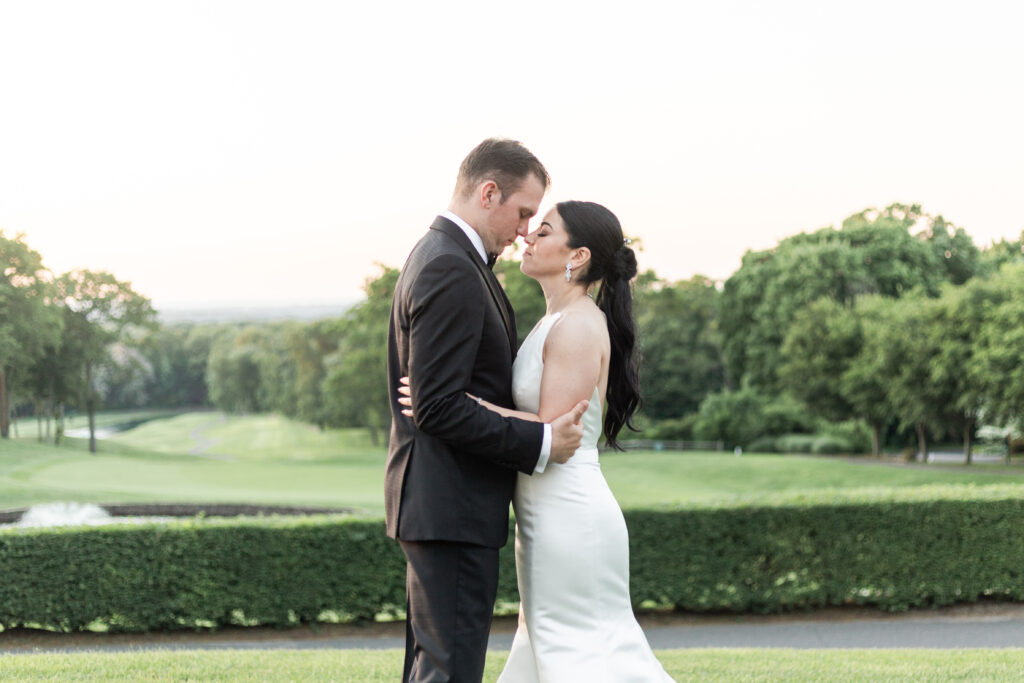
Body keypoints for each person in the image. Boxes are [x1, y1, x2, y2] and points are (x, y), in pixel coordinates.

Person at [400, 201, 674, 681]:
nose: (527, 236)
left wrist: (451, 400)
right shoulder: (554, 319)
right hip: (542, 513)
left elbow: (551, 430)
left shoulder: (579, 325)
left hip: (569, 514)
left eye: (543, 231)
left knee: (580, 651)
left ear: (579, 256)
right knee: (549, 645)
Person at [385, 138, 589, 683]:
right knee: (449, 670)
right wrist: (544, 442)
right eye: (523, 213)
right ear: (488, 191)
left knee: (435, 666)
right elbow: (438, 406)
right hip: (451, 503)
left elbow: (443, 397)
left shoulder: (450, 258)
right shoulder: (449, 266)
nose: (526, 229)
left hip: (445, 503)